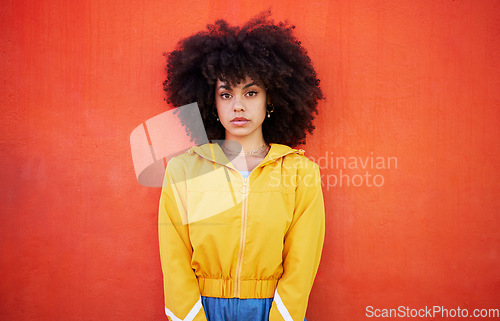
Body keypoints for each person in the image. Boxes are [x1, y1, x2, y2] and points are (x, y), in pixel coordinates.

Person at [159, 11, 325, 321]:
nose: (238, 105)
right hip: (202, 309)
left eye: (251, 92)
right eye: (226, 94)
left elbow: (302, 264)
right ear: (211, 104)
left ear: (270, 100)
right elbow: (174, 258)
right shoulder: (182, 170)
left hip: (271, 309)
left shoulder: (301, 174)